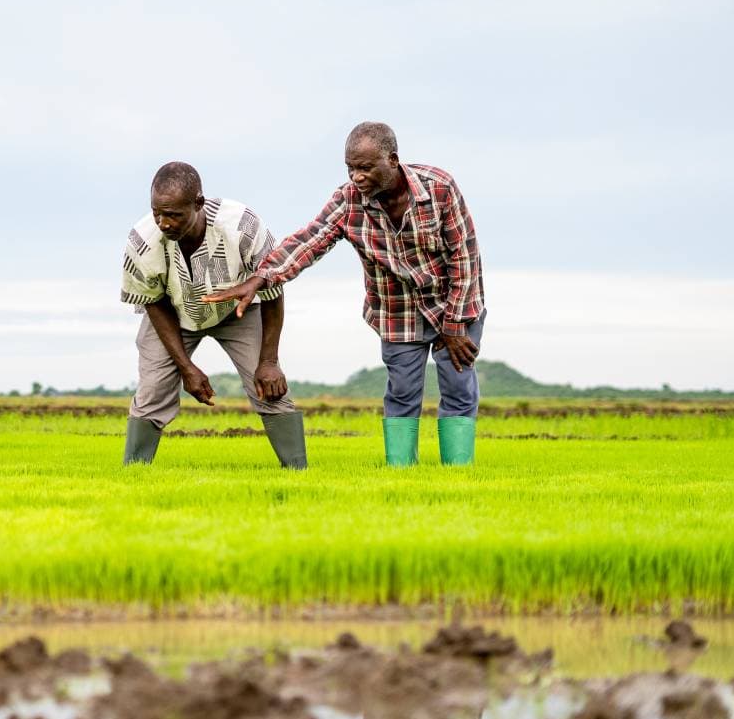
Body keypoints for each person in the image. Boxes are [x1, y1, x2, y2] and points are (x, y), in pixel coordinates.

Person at [206, 122, 485, 466]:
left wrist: (455, 324)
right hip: (396, 311)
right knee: (401, 392)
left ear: (393, 159)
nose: (356, 177)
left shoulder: (439, 188)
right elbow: (309, 240)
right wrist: (261, 277)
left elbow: (464, 256)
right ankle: (403, 472)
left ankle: (458, 473)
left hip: (453, 303)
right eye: (350, 168)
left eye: (365, 168)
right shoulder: (348, 200)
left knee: (458, 386)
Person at [119, 162, 307, 469]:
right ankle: (134, 474)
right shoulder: (142, 241)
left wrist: (269, 361)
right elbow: (154, 302)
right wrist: (186, 368)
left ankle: (298, 472)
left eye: (174, 215)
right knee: (152, 391)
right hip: (172, 313)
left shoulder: (242, 226)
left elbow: (273, 287)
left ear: (198, 203)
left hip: (238, 310)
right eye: (157, 213)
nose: (163, 223)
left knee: (269, 386)